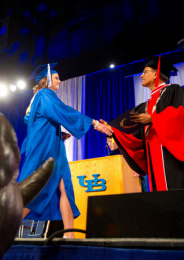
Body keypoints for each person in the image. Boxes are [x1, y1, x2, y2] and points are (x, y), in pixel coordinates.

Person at [19, 63, 112, 238]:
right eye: (56, 78)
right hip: (44, 149)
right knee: (34, 189)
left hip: (49, 145)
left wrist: (58, 134)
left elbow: (37, 121)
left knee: (64, 188)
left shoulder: (36, 98)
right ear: (46, 80)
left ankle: (70, 237)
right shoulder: (45, 93)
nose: (60, 81)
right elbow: (63, 111)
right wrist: (94, 123)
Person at [100, 56, 184, 191]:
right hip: (153, 153)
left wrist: (153, 119)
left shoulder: (173, 90)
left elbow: (179, 115)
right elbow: (131, 128)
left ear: (156, 73)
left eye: (145, 72)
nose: (141, 76)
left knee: (176, 192)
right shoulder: (146, 105)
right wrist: (111, 128)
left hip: (171, 152)